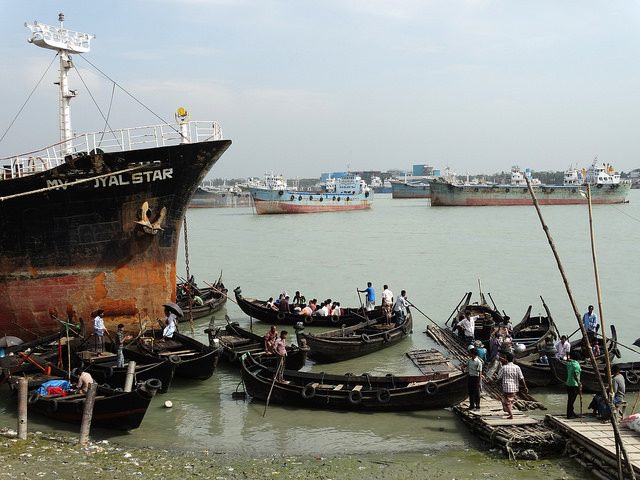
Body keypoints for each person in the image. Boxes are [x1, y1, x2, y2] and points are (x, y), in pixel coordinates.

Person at [496, 352, 528, 419]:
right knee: (510, 400)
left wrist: (497, 383)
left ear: (506, 359)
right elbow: (521, 378)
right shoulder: (517, 367)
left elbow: (499, 377)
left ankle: (510, 414)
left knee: (507, 401)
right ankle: (508, 411)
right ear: (513, 359)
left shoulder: (504, 367)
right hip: (514, 388)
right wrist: (525, 387)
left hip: (506, 387)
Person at [566, 350, 582, 419]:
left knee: (570, 399)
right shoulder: (576, 365)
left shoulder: (569, 363)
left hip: (568, 383)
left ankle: (571, 412)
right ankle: (569, 415)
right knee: (571, 400)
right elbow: (575, 375)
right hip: (574, 384)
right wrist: (579, 383)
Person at [467, 346, 484, 410]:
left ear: (473, 354)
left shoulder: (478, 362)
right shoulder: (469, 360)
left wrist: (479, 382)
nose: (469, 354)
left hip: (476, 378)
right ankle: (471, 405)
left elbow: (480, 373)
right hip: (470, 377)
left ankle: (477, 405)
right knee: (470, 392)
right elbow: (465, 366)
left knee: (476, 392)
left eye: (470, 353)